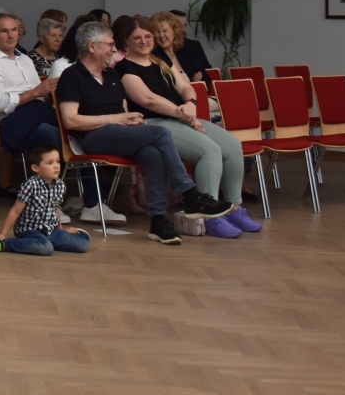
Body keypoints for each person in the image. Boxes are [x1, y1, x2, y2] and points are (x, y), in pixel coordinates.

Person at [56, 21, 233, 246]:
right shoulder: (72, 75)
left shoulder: (111, 75)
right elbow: (71, 120)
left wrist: (130, 120)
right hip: (93, 136)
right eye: (109, 45)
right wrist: (117, 119)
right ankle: (190, 194)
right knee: (160, 134)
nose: (114, 49)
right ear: (92, 46)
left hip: (120, 132)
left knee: (153, 153)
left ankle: (158, 221)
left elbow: (123, 111)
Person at [112, 15, 260, 237]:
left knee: (232, 146)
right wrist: (184, 114)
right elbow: (148, 100)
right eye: (137, 38)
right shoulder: (124, 68)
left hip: (179, 117)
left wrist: (191, 103)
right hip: (154, 123)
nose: (144, 41)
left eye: (148, 36)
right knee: (208, 151)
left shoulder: (160, 60)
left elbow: (185, 87)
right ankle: (209, 215)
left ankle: (233, 208)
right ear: (126, 41)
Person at [0, 12, 61, 164]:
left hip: (39, 113)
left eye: (14, 30)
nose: (11, 35)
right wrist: (35, 92)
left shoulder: (25, 59)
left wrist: (54, 90)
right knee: (53, 133)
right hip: (16, 122)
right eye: (4, 31)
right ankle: (51, 178)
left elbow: (41, 97)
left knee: (76, 128)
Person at [0, 145, 91, 255]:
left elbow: (56, 209)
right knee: (46, 249)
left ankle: (49, 241)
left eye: (58, 161)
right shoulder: (30, 185)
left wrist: (60, 230)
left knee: (83, 245)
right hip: (29, 230)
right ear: (36, 168)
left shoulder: (60, 185)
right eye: (50, 163)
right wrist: (2, 233)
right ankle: (5, 244)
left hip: (50, 230)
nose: (56, 166)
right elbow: (15, 211)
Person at [149, 11, 210, 82]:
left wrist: (197, 84)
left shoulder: (184, 52)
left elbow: (206, 78)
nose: (161, 35)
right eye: (157, 32)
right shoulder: (153, 58)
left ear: (174, 32)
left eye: (165, 31)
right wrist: (193, 84)